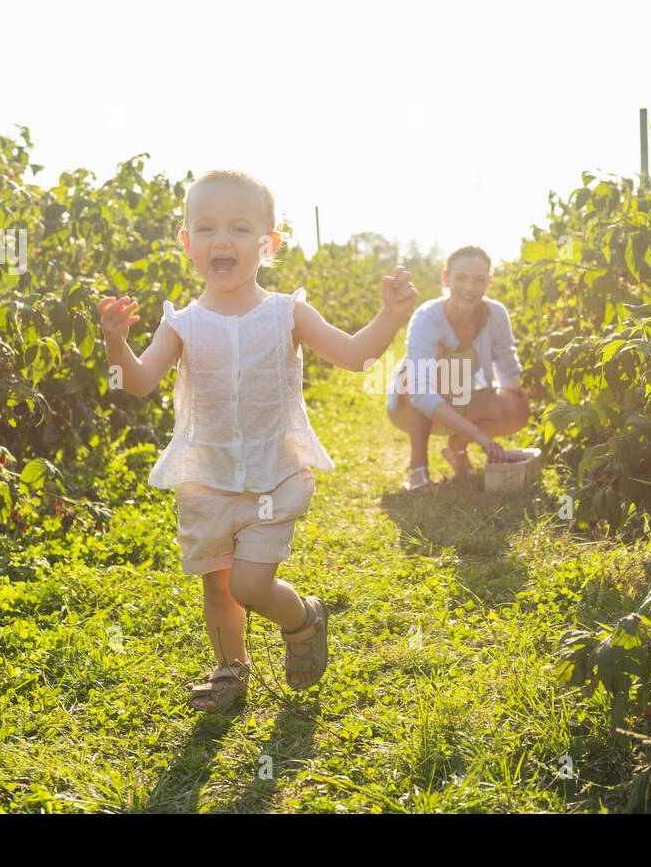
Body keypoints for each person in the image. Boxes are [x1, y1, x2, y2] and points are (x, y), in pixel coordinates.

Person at [97, 169, 416, 713]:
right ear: (187, 243)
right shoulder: (184, 324)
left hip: (273, 476)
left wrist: (389, 315)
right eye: (207, 228)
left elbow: (353, 355)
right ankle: (230, 668)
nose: (222, 241)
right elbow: (139, 382)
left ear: (268, 245)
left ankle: (303, 618)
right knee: (217, 589)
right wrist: (115, 345)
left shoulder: (285, 312)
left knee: (247, 585)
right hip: (207, 480)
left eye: (241, 229)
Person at [385, 246, 530, 492]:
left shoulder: (496, 314)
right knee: (415, 376)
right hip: (410, 408)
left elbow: (508, 368)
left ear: (488, 282)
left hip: (461, 404)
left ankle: (457, 446)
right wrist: (480, 436)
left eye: (478, 280)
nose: (470, 288)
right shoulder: (427, 317)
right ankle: (418, 469)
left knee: (519, 405)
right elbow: (420, 393)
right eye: (461, 278)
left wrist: (528, 386)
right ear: (446, 278)